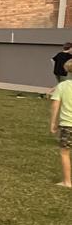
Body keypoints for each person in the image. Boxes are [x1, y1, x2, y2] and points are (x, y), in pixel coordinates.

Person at [50, 58, 72, 188]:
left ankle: (67, 181)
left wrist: (53, 122)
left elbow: (55, 105)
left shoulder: (62, 86)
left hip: (67, 125)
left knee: (65, 152)